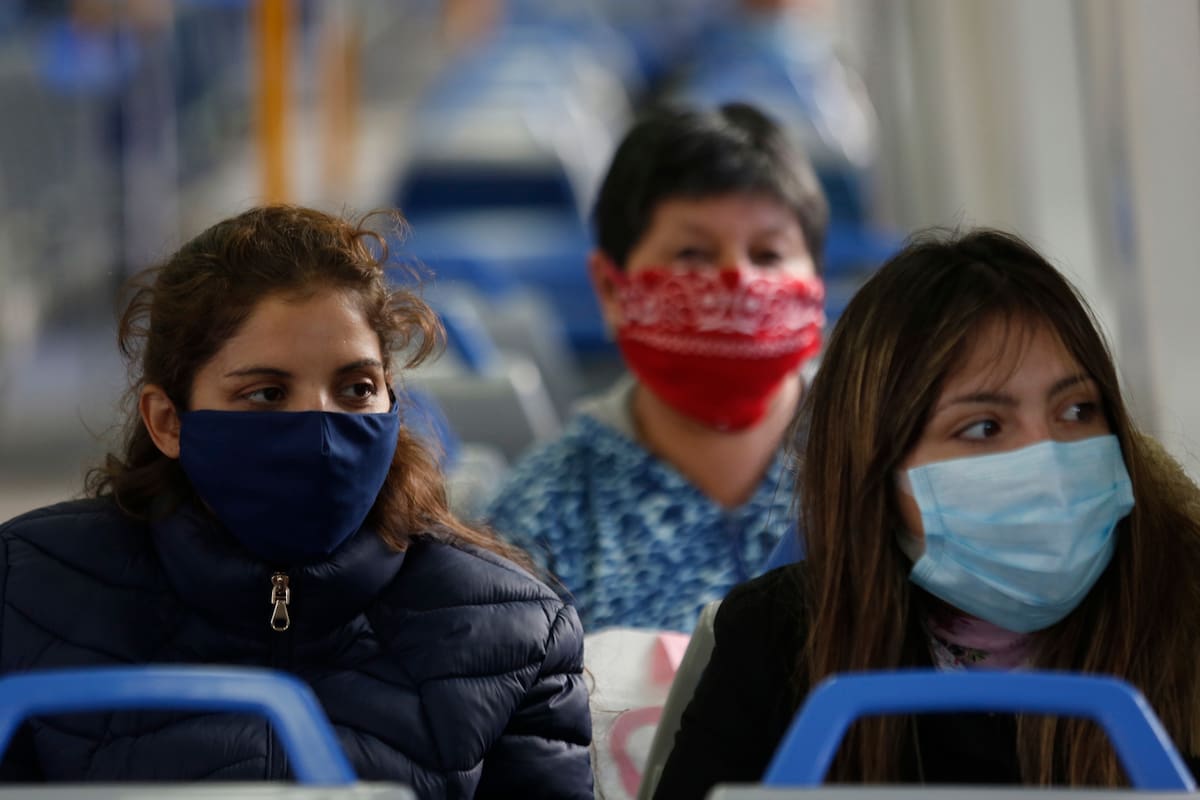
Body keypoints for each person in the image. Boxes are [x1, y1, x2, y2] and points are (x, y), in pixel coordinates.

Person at [0, 205, 593, 798]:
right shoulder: (24, 595)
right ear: (168, 421)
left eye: (356, 389)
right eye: (266, 393)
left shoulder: (515, 634)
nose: (322, 430)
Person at [653, 228, 1200, 796]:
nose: (1051, 458)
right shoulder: (777, 641)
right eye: (984, 427)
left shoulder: (1186, 615)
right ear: (878, 472)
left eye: (1078, 410)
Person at [485, 102, 829, 632]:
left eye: (767, 254)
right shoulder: (540, 520)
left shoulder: (884, 469)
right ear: (609, 288)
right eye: (692, 253)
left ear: (816, 284)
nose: (737, 280)